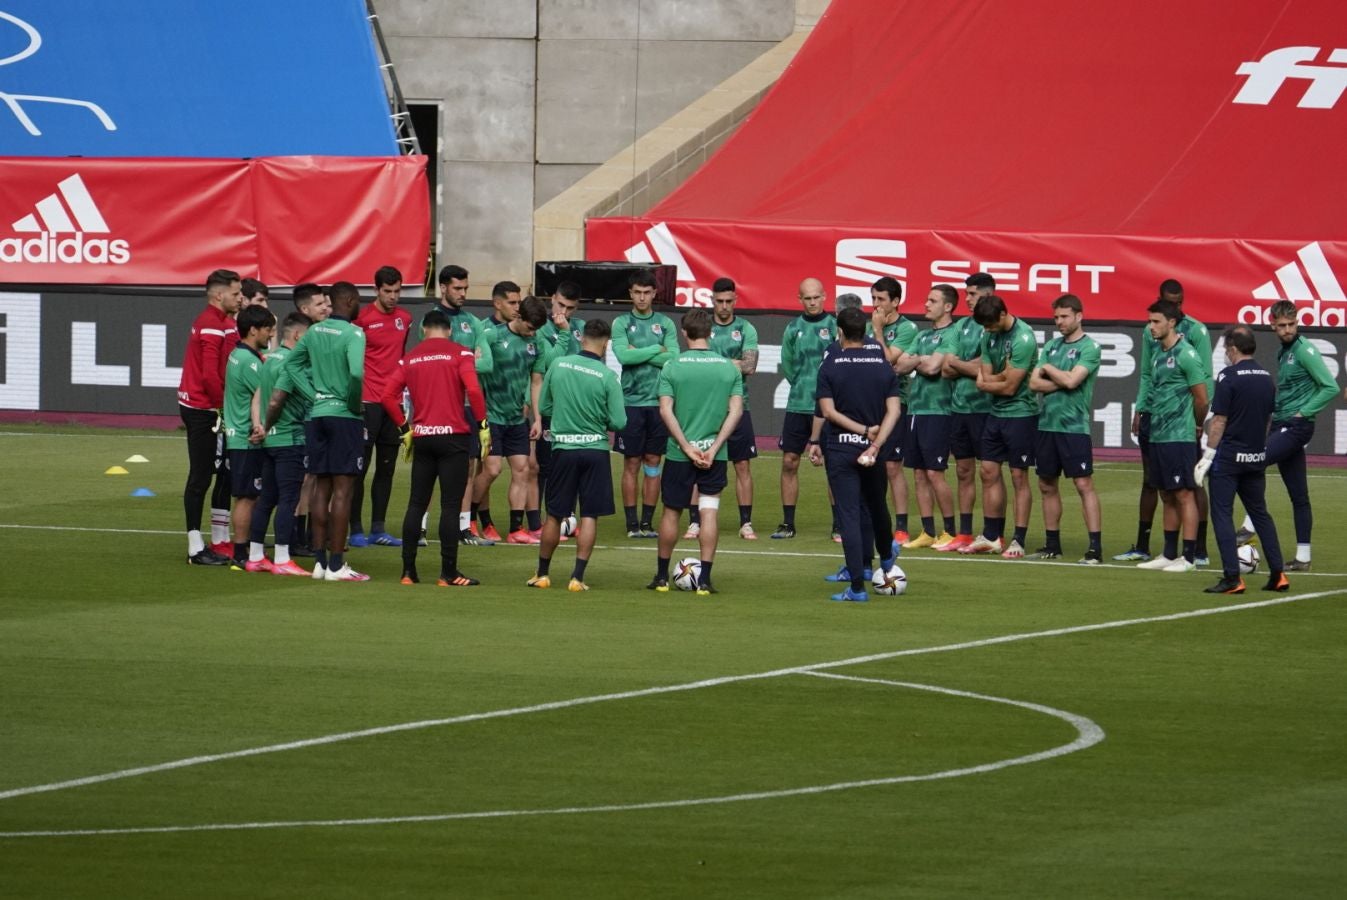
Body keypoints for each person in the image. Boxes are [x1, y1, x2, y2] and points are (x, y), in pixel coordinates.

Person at [266, 283, 369, 582]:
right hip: (343, 417)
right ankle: (337, 565)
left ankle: (320, 563)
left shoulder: (313, 332)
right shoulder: (354, 333)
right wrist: (351, 403)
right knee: (343, 490)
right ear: (349, 301)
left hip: (317, 417)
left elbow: (292, 366)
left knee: (319, 488)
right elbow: (356, 373)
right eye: (358, 301)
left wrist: (314, 395)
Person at [381, 308, 487, 587]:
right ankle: (448, 573)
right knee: (450, 505)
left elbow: (387, 395)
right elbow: (474, 390)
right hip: (454, 437)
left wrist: (404, 428)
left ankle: (407, 572)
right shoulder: (461, 353)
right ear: (449, 330)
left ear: (424, 330)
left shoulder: (410, 358)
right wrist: (483, 425)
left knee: (417, 503)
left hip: (423, 437)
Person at [1233, 300, 1339, 570]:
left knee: (1255, 460)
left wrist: (1303, 413)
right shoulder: (1285, 352)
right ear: (1273, 325)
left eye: (1292, 324)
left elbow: (1330, 387)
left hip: (1296, 427)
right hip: (1284, 424)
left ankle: (1248, 525)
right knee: (1299, 495)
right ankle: (1303, 557)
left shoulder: (1305, 351)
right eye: (1282, 326)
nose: (1288, 330)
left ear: (1297, 322)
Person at [808, 306, 902, 602]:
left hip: (841, 448)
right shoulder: (881, 364)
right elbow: (894, 410)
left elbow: (828, 411)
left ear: (840, 332)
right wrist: (874, 442)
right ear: (865, 331)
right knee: (877, 507)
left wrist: (861, 430)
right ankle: (886, 558)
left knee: (848, 515)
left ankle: (858, 588)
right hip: (872, 450)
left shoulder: (831, 364)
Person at [646, 309, 743, 594]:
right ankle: (705, 580)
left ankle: (662, 578)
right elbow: (736, 411)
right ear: (710, 333)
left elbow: (665, 410)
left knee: (672, 513)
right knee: (709, 512)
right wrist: (713, 447)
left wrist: (686, 447)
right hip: (714, 454)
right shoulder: (728, 368)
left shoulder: (672, 366)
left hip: (679, 453)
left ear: (684, 333)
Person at [1117, 279, 1213, 562]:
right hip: (1158, 427)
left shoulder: (1193, 336)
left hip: (1181, 429)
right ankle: (1162, 551)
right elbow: (1147, 375)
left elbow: (1203, 385)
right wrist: (1141, 407)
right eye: (1171, 302)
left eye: (1179, 303)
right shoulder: (1156, 343)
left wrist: (1198, 423)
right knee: (1162, 488)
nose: (1150, 326)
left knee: (1188, 487)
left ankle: (1195, 551)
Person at [528, 318, 627, 591]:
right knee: (589, 516)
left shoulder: (559, 365)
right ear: (606, 344)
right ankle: (577, 578)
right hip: (594, 450)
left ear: (581, 338)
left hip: (563, 449)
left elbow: (545, 406)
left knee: (554, 515)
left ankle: (543, 574)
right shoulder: (608, 377)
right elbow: (619, 422)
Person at [1197, 325, 1290, 594]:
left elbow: (1219, 420)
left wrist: (1208, 456)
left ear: (1233, 349)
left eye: (1227, 348)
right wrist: (1258, 448)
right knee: (1260, 514)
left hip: (1228, 458)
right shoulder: (1266, 377)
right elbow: (1267, 419)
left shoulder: (1228, 377)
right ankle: (1278, 574)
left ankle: (1232, 577)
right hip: (1255, 455)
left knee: (1223, 514)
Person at [1027, 294, 1103, 564]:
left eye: (1064, 316)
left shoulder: (1090, 347)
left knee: (1083, 485)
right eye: (1056, 317)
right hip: (1047, 424)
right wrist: (1064, 378)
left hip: (1074, 427)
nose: (1059, 322)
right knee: (1047, 484)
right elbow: (1034, 385)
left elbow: (1074, 381)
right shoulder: (1051, 346)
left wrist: (1049, 368)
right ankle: (1052, 545)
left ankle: (1095, 548)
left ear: (1079, 316)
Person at [1135, 299, 1208, 573]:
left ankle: (1188, 557)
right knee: (1166, 493)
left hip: (1180, 435)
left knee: (1184, 494)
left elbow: (1202, 399)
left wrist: (1197, 426)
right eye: (1149, 321)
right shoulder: (1156, 354)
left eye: (1155, 322)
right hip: (1158, 435)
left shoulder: (1186, 354)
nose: (1151, 327)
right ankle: (1168, 553)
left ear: (1172, 322)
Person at [963, 294, 1039, 558]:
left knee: (1019, 476)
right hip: (995, 413)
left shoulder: (1024, 338)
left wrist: (992, 381)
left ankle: (1018, 539)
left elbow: (1010, 387)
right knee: (987, 471)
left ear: (1004, 314)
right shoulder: (987, 334)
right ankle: (992, 536)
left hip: (1021, 414)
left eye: (991, 325)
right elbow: (984, 377)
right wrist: (998, 376)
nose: (987, 331)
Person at [475, 294, 551, 544]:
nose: (532, 334)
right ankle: (471, 519)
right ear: (519, 316)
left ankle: (516, 529)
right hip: (492, 416)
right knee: (492, 470)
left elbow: (536, 381)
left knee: (522, 469)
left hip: (518, 419)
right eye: (530, 328)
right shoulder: (492, 336)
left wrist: (538, 419)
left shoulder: (536, 342)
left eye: (536, 330)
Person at [179, 269, 243, 566]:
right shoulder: (211, 324)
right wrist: (223, 408)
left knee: (213, 474)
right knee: (201, 476)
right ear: (219, 295)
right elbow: (208, 376)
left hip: (207, 407)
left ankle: (210, 541)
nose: (238, 298)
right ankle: (195, 548)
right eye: (235, 293)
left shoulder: (221, 323)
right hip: (203, 409)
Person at [430, 263, 496, 546]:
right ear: (443, 287)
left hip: (468, 406)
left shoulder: (474, 321)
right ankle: (421, 527)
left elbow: (488, 363)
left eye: (465, 288)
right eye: (457, 288)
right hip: (442, 404)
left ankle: (464, 528)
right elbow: (436, 361)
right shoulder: (432, 320)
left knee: (469, 468)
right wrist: (469, 358)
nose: (462, 293)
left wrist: (456, 359)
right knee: (431, 468)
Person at [612, 270, 681, 538]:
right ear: (630, 294)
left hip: (659, 404)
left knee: (654, 461)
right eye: (637, 292)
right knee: (631, 463)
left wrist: (637, 352)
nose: (642, 297)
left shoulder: (665, 323)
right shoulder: (620, 322)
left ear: (654, 293)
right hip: (630, 403)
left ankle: (647, 523)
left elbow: (673, 358)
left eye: (646, 292)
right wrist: (656, 350)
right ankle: (631, 524)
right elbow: (622, 357)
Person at [350, 268, 413, 548]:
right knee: (359, 469)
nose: (393, 297)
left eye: (397, 291)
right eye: (387, 291)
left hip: (392, 403)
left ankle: (378, 528)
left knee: (386, 469)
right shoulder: (361, 320)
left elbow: (399, 358)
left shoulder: (405, 319)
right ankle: (355, 529)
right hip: (366, 402)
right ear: (376, 290)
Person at [246, 311, 311, 576]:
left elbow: (259, 397)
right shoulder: (294, 362)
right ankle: (283, 559)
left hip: (269, 440)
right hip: (290, 438)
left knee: (266, 500)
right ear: (297, 335)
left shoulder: (269, 359)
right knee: (289, 500)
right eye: (308, 338)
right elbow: (277, 399)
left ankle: (255, 556)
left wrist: (260, 425)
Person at [775, 277, 836, 539]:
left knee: (835, 466)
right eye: (806, 298)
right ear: (799, 299)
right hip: (798, 405)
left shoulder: (835, 326)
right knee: (789, 462)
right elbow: (788, 368)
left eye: (816, 297)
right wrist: (803, 386)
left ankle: (839, 524)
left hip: (829, 408)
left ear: (824, 297)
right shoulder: (792, 329)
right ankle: (788, 523)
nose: (812, 302)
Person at [939, 272, 996, 552]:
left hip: (986, 408)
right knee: (963, 471)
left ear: (988, 294)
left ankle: (991, 532)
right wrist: (968, 365)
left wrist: (962, 364)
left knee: (989, 472)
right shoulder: (961, 325)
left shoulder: (994, 325)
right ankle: (964, 533)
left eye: (972, 294)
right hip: (959, 407)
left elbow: (987, 368)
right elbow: (946, 367)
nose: (968, 299)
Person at [902, 285, 960, 549]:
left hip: (939, 410)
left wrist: (918, 360)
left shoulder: (954, 334)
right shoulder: (923, 335)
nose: (926, 304)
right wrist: (919, 360)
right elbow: (898, 365)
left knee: (935, 473)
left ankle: (949, 531)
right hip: (916, 409)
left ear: (948, 307)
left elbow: (935, 367)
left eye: (932, 300)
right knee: (918, 474)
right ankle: (927, 531)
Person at [868, 276, 923, 546]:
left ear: (895, 301)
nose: (875, 305)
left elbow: (888, 360)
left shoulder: (907, 329)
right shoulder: (865, 327)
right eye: (873, 298)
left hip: (895, 402)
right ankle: (870, 520)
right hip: (867, 404)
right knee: (866, 465)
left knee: (892, 466)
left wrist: (878, 331)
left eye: (881, 299)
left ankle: (900, 526)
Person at [221, 305, 276, 570]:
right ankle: (241, 552)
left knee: (248, 495)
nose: (270, 334)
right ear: (253, 330)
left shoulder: (239, 355)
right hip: (247, 438)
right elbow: (266, 392)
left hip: (239, 435)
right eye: (267, 329)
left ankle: (244, 550)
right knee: (247, 496)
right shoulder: (249, 361)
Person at [706, 277, 760, 540]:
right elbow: (696, 362)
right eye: (719, 301)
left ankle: (746, 523)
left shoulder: (746, 328)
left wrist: (713, 363)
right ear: (712, 300)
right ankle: (696, 521)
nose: (724, 306)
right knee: (701, 461)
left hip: (739, 405)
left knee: (741, 465)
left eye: (729, 301)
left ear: (735, 300)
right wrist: (732, 363)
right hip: (707, 407)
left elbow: (750, 366)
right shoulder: (703, 326)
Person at [534, 280, 587, 539]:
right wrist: (564, 332)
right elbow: (550, 363)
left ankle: (569, 516)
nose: (563, 312)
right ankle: (546, 517)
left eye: (570, 308)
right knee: (547, 466)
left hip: (576, 411)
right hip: (551, 409)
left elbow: (590, 361)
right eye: (560, 305)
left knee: (574, 464)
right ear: (552, 298)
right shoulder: (541, 329)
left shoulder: (582, 329)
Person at [287, 283, 332, 558]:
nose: (326, 308)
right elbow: (292, 369)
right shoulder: (306, 337)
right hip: (303, 419)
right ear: (305, 309)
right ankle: (294, 537)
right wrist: (314, 396)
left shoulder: (319, 333)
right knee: (303, 480)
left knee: (313, 478)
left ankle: (305, 536)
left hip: (314, 417)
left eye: (326, 303)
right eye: (320, 304)